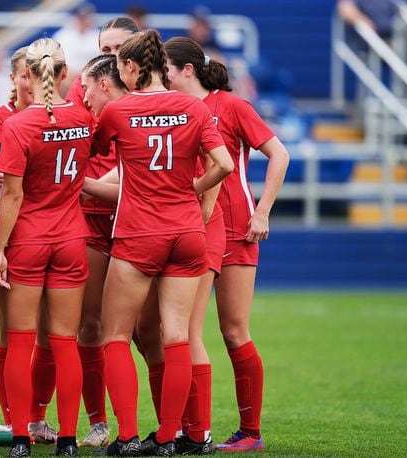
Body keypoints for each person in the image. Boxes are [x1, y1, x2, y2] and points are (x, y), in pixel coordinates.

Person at [92, 29, 233, 456]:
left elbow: (93, 152)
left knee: (114, 335)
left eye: (120, 67)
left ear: (131, 68)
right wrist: (192, 189)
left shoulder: (118, 111)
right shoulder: (192, 106)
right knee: (176, 336)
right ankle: (170, 437)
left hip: (139, 232)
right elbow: (223, 164)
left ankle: (128, 437)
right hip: (188, 233)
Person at [164, 36, 290, 453]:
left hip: (236, 227)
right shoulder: (171, 108)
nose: (161, 74)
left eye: (166, 65)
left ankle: (250, 432)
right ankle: (190, 429)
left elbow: (279, 154)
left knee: (233, 331)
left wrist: (263, 211)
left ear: (187, 69)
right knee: (183, 331)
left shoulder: (230, 106)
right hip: (189, 228)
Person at [0, 37, 92, 458]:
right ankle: (68, 439)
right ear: (65, 73)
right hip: (72, 237)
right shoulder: (85, 119)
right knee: (65, 342)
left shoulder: (18, 125)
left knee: (19, 340)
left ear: (26, 76)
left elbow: (11, 196)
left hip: (29, 239)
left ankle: (20, 439)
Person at [64, 16, 139, 449]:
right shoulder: (86, 87)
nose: (112, 56)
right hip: (94, 216)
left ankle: (182, 427)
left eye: (120, 48)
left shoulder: (154, 93)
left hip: (140, 220)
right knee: (89, 326)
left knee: (153, 335)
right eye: (105, 48)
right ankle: (99, 422)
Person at [53, 3, 100, 93]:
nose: (83, 21)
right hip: (67, 76)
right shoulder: (63, 35)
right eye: (80, 18)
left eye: (86, 17)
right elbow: (57, 59)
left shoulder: (98, 36)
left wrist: (84, 74)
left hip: (91, 76)